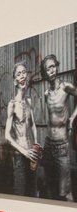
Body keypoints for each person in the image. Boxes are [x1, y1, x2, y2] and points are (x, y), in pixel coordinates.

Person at [40, 54, 77, 200]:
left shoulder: (65, 87)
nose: (52, 70)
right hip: (49, 143)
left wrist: (73, 117)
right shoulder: (46, 93)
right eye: (48, 69)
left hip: (62, 143)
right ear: (45, 73)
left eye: (53, 66)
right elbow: (49, 118)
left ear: (57, 67)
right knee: (49, 184)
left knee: (65, 190)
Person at [4, 62, 40, 197]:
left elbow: (33, 125)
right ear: (15, 81)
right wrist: (24, 152)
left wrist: (36, 144)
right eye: (18, 74)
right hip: (20, 156)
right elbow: (7, 136)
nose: (22, 76)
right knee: (20, 194)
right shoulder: (12, 105)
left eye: (24, 72)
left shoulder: (29, 101)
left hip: (32, 155)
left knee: (33, 193)